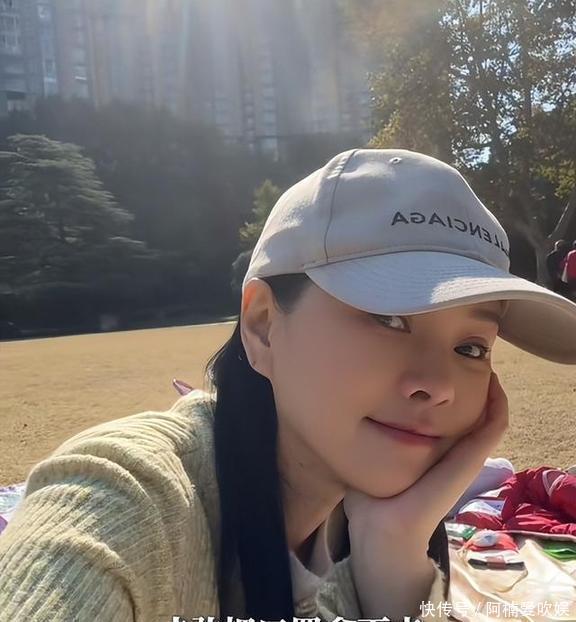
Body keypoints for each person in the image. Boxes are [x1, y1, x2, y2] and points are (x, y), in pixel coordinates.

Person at [1, 149, 576, 622]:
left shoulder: (384, 521)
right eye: (389, 318)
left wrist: (395, 556)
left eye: (471, 348)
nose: (438, 386)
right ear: (262, 325)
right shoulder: (127, 504)